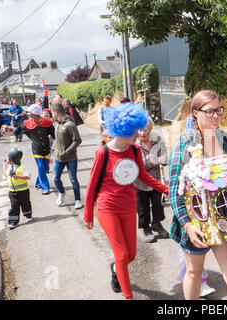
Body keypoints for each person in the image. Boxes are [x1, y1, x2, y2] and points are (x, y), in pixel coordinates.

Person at [83, 102, 169, 300]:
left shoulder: (135, 151)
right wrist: (88, 215)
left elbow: (144, 176)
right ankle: (128, 296)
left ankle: (115, 269)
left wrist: (166, 189)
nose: (139, 134)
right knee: (122, 255)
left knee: (130, 255)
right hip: (108, 208)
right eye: (134, 130)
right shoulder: (102, 153)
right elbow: (92, 186)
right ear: (123, 129)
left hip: (128, 208)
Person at [169, 90, 227, 300]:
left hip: (224, 217)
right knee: (193, 273)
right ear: (195, 113)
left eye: (218, 110)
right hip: (196, 222)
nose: (216, 116)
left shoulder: (226, 139)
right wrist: (187, 224)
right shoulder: (184, 144)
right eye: (209, 111)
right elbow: (174, 192)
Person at [1, 104, 55, 195]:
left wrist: (55, 145)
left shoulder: (47, 123)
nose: (28, 114)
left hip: (47, 150)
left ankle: (38, 184)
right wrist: (7, 129)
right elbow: (16, 131)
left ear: (35, 114)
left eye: (30, 112)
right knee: (41, 167)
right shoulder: (27, 124)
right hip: (36, 150)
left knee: (44, 169)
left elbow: (54, 136)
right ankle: (45, 187)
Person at [134, 117, 169, 242]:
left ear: (150, 129)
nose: (143, 132)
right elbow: (138, 165)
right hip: (140, 182)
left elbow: (164, 155)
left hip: (155, 179)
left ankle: (156, 223)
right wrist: (155, 160)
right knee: (142, 207)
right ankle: (146, 228)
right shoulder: (134, 145)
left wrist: (164, 159)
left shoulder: (157, 140)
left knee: (158, 204)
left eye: (146, 129)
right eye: (140, 130)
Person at [51, 103, 83, 210]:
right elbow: (57, 138)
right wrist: (54, 147)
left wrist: (66, 151)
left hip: (70, 158)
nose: (53, 115)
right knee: (55, 178)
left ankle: (77, 200)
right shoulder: (57, 123)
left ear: (56, 113)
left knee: (73, 179)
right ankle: (61, 192)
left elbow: (77, 140)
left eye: (53, 113)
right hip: (58, 157)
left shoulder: (70, 124)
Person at [3, 148, 33, 229]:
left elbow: (28, 176)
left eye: (8, 158)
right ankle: (13, 222)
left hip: (23, 191)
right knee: (14, 206)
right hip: (12, 192)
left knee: (25, 203)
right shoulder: (10, 167)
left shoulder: (22, 168)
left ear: (12, 160)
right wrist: (5, 164)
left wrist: (18, 176)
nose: (7, 159)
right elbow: (5, 173)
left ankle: (28, 215)